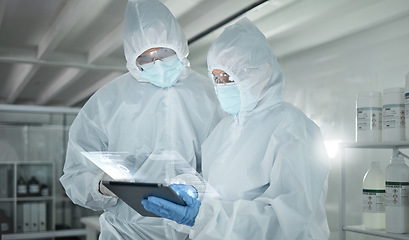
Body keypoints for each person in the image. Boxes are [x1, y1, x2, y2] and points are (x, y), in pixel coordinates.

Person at [142, 18, 330, 239]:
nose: (221, 86)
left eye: (229, 77)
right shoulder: (223, 130)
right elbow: (217, 190)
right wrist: (190, 191)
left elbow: (287, 221)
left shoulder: (293, 129)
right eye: (216, 78)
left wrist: (202, 216)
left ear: (263, 72)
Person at [59, 0, 222, 239]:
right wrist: (101, 185)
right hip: (125, 233)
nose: (157, 63)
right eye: (145, 58)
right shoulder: (107, 101)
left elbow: (232, 165)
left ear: (178, 45)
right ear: (132, 59)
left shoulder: (211, 95)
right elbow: (74, 175)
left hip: (196, 231)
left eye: (164, 52)